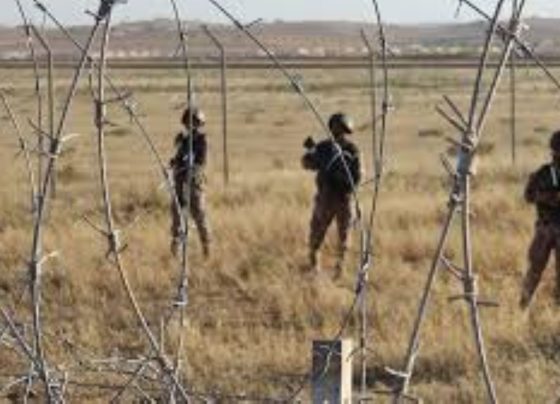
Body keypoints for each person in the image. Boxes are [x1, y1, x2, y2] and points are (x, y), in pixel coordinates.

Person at [302, 112, 361, 278]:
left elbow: (357, 178)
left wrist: (338, 174)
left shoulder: (351, 150)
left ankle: (338, 270)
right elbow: (307, 164)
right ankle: (316, 269)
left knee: (343, 238)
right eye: (337, 128)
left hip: (342, 197)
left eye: (341, 129)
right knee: (317, 235)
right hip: (327, 198)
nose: (339, 132)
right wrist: (312, 154)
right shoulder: (324, 147)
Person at [520, 130, 560, 309]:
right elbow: (529, 196)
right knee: (535, 270)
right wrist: (549, 197)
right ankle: (524, 304)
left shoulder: (543, 172)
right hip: (545, 228)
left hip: (546, 228)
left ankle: (555, 311)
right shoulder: (544, 173)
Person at [170, 107, 211, 258]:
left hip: (194, 182)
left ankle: (206, 247)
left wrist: (191, 167)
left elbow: (201, 162)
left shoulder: (202, 140)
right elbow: (177, 158)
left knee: (199, 214)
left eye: (194, 122)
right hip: (179, 181)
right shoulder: (182, 139)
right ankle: (176, 249)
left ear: (199, 123)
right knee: (177, 215)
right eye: (188, 122)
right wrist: (175, 163)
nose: (191, 125)